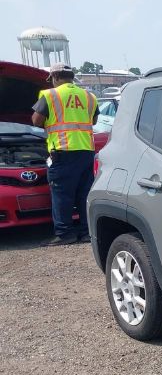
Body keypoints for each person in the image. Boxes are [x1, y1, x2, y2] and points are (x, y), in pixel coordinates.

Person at [31, 63, 99, 246]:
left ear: (55, 77)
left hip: (62, 151)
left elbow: (36, 120)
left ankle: (65, 234)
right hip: (86, 152)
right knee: (84, 193)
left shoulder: (50, 95)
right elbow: (93, 120)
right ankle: (86, 232)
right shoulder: (89, 96)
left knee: (62, 195)